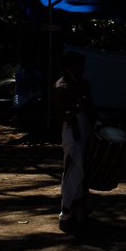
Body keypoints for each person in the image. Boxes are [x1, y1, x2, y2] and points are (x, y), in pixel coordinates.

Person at [53, 51, 95, 233]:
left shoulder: (83, 83)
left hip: (84, 128)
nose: (82, 69)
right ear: (68, 67)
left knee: (84, 168)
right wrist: (78, 109)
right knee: (72, 169)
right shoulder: (61, 86)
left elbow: (91, 107)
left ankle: (81, 208)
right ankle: (67, 210)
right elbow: (61, 116)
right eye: (79, 65)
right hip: (72, 131)